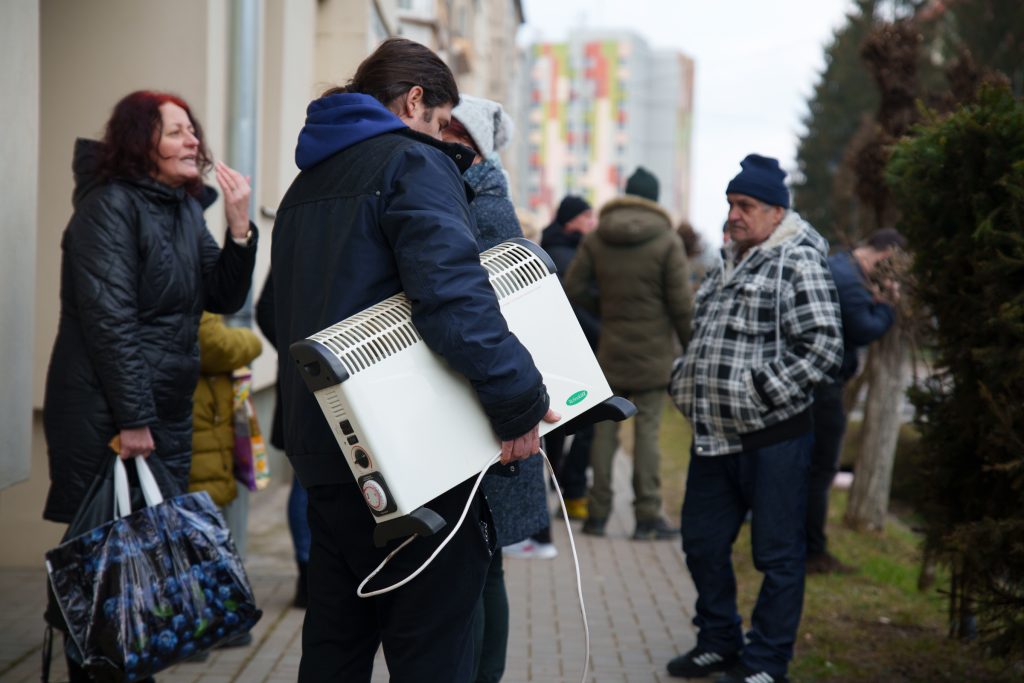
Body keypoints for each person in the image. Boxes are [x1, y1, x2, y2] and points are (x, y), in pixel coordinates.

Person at [268, 38, 558, 682]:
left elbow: (275, 315)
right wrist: (518, 402)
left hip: (325, 456)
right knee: (434, 654)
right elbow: (455, 297)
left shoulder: (304, 185)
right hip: (412, 463)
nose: (439, 136)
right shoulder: (411, 164)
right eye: (438, 121)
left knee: (335, 649)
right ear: (415, 100)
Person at [41, 90, 258, 681]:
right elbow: (109, 321)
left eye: (192, 131)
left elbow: (222, 296)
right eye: (175, 132)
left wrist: (240, 229)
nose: (193, 141)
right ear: (141, 143)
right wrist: (134, 419)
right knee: (103, 561)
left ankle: (128, 663)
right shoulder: (108, 207)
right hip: (107, 410)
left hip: (162, 408)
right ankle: (97, 666)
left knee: (144, 560)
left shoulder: (183, 208)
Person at [667, 154, 843, 683]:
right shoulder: (728, 261)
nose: (733, 215)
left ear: (775, 212)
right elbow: (704, 338)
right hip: (714, 438)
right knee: (701, 543)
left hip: (774, 440)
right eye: (730, 205)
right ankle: (719, 641)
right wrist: (684, 379)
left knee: (777, 555)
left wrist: (757, 391)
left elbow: (824, 348)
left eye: (745, 206)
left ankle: (766, 661)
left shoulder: (799, 262)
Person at [441, 93, 553, 682]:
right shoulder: (478, 193)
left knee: (481, 570)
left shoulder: (483, 201)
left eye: (451, 134)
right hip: (491, 406)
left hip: (490, 411)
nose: (439, 140)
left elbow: (489, 313)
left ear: (474, 148)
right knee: (483, 569)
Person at [564, 166, 693, 540]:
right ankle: (647, 517)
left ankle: (598, 515)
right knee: (648, 435)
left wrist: (603, 306)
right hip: (653, 356)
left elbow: (573, 289)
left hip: (610, 351)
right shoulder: (667, 240)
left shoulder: (597, 237)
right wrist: (691, 348)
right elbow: (682, 305)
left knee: (605, 434)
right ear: (653, 199)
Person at [806, 228, 905, 574]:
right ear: (885, 254)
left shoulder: (841, 266)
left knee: (811, 468)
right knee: (821, 470)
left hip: (817, 382)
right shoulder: (849, 279)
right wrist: (889, 307)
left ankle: (803, 544)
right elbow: (863, 328)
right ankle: (812, 552)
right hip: (824, 386)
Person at [540, 195, 600, 521]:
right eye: (587, 216)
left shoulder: (552, 247)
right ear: (571, 220)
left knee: (557, 424)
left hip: (556, 349)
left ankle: (560, 482)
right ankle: (570, 490)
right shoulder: (568, 256)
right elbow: (573, 306)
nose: (592, 222)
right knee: (582, 424)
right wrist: (603, 331)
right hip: (577, 348)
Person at [255, 273, 312, 609]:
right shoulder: (301, 224)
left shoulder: (299, 222)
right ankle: (308, 574)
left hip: (313, 379)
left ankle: (314, 576)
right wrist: (301, 353)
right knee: (305, 482)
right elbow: (266, 309)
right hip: (309, 381)